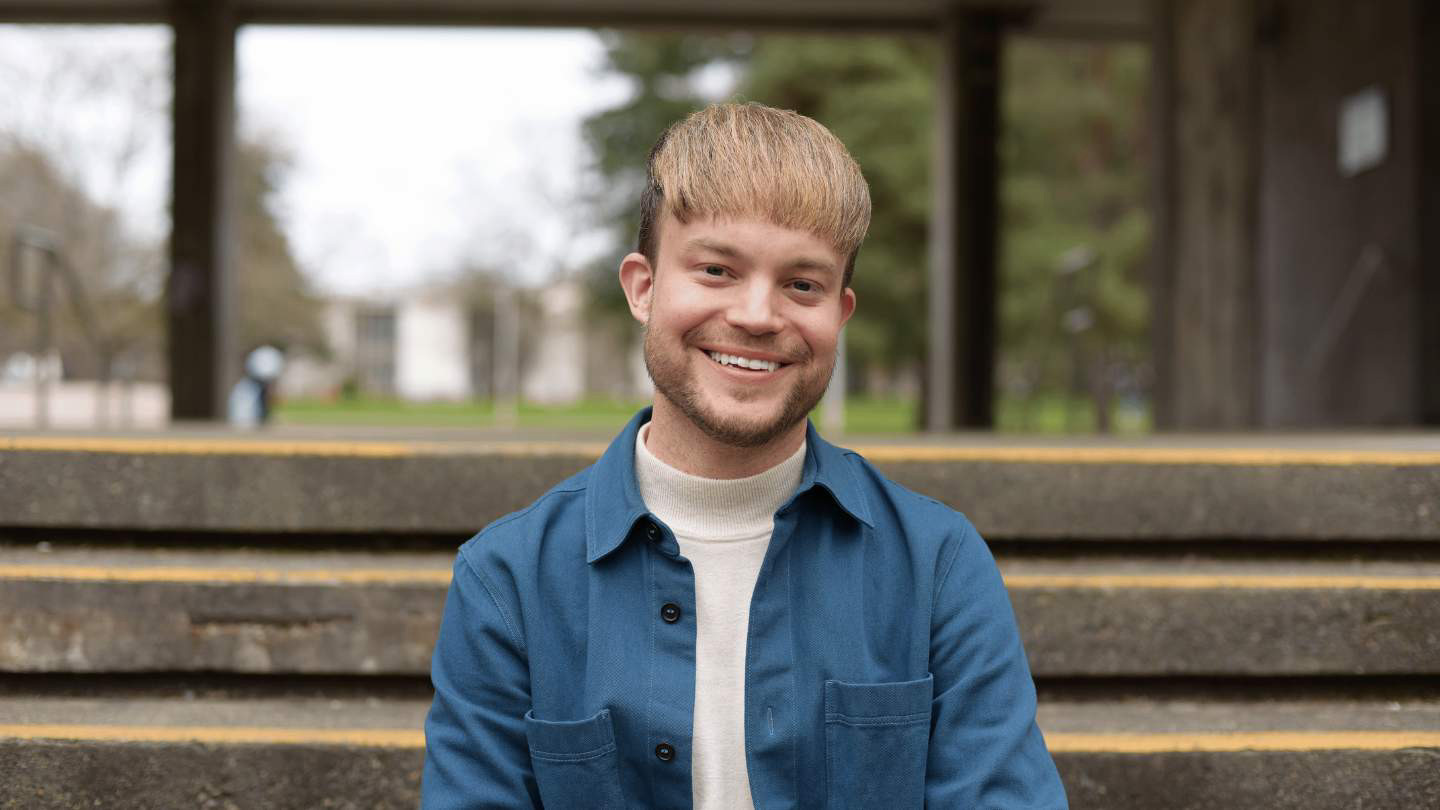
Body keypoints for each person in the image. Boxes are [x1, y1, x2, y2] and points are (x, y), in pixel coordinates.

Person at [422, 102, 1067, 809]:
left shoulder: (937, 565)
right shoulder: (509, 579)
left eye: (802, 284)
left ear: (839, 315)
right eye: (717, 270)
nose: (758, 315)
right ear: (643, 287)